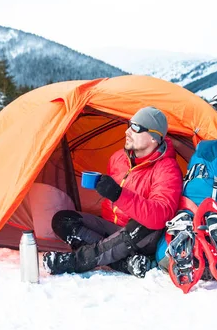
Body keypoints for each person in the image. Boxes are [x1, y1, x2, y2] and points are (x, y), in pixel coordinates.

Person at [43, 106, 183, 278]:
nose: (127, 131)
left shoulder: (167, 169)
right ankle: (124, 263)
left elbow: (161, 214)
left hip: (140, 235)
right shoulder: (118, 158)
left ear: (154, 138)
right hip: (111, 229)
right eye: (129, 124)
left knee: (146, 224)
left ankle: (75, 261)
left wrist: (118, 194)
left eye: (136, 128)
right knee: (62, 220)